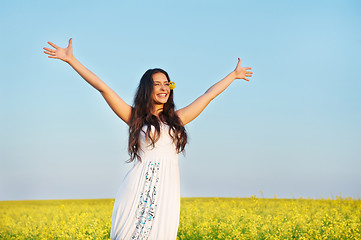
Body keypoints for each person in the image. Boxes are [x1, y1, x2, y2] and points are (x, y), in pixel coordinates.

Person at [43, 38, 253, 240]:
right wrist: (72, 60)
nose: (164, 88)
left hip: (167, 190)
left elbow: (208, 95)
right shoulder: (135, 118)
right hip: (138, 188)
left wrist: (233, 75)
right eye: (157, 84)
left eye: (167, 84)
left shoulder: (178, 119)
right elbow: (103, 88)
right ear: (147, 89)